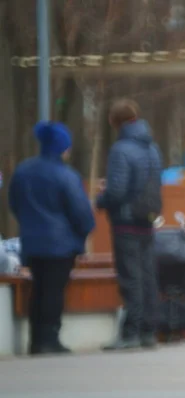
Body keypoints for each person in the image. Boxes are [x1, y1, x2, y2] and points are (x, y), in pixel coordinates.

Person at [9, 122, 96, 355]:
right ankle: (48, 339)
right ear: (62, 148)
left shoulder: (23, 171)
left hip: (31, 241)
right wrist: (82, 233)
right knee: (53, 291)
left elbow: (14, 203)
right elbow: (81, 212)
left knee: (38, 289)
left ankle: (36, 339)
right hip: (60, 244)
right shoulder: (66, 175)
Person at [97, 99, 163, 350]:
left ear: (115, 122)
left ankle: (130, 333)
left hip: (125, 221)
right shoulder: (152, 148)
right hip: (147, 219)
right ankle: (149, 331)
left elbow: (116, 190)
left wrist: (100, 199)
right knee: (148, 275)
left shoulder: (121, 149)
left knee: (130, 277)